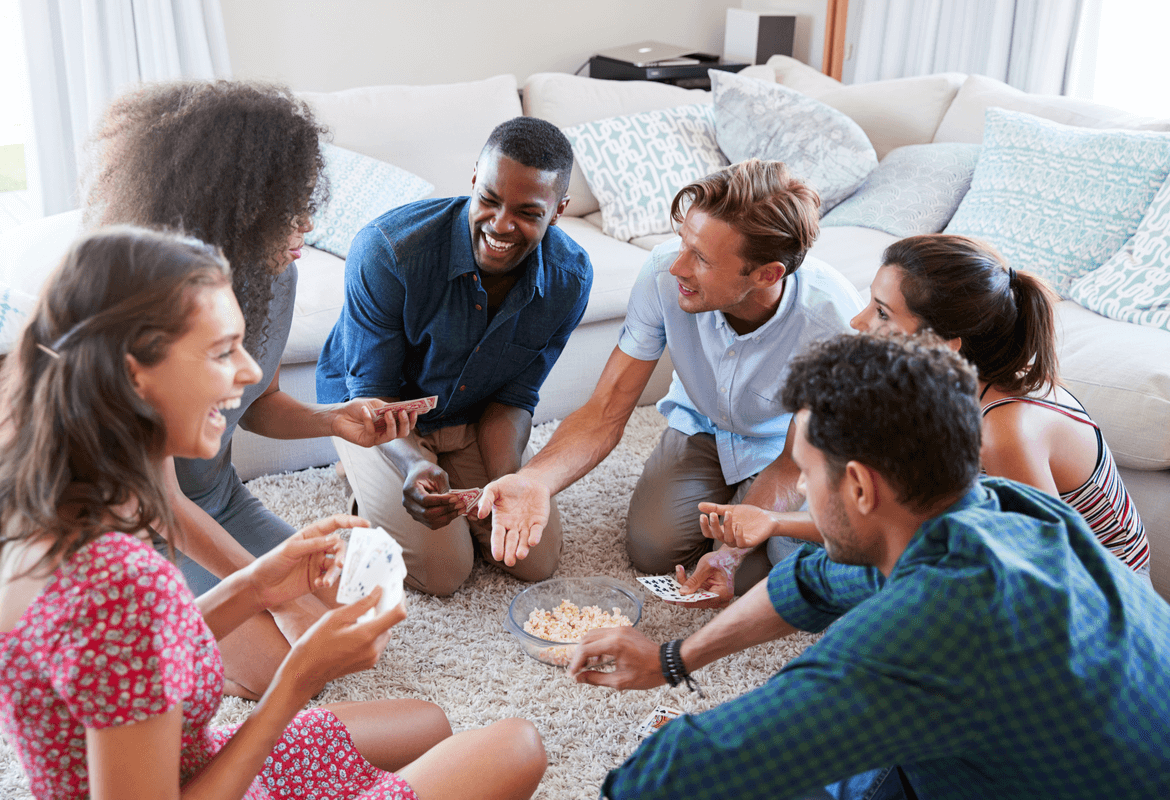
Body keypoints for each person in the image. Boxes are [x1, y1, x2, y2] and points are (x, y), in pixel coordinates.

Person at [0, 227, 547, 800]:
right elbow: (129, 629)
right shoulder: (120, 580)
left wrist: (259, 584)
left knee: (427, 723)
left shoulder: (14, 503)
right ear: (134, 373)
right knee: (517, 746)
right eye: (223, 351)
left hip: (183, 761)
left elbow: (127, 656)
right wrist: (297, 682)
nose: (249, 374)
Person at [568, 333, 1170, 800]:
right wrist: (672, 659)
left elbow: (681, 769)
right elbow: (811, 581)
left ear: (858, 486)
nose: (799, 489)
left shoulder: (922, 634)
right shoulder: (1008, 509)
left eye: (805, 473)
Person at [82, 80, 419, 698]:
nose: (307, 223)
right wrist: (273, 592)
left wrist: (334, 419)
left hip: (220, 500)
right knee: (283, 668)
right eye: (286, 207)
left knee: (363, 604)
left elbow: (256, 401)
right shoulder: (144, 317)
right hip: (144, 528)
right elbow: (158, 501)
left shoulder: (273, 275)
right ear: (231, 209)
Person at [479, 160, 862, 595]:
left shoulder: (833, 323)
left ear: (766, 274)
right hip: (700, 425)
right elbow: (605, 410)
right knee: (652, 549)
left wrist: (729, 554)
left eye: (701, 257)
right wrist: (535, 480)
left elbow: (793, 462)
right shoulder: (664, 272)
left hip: (781, 449)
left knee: (783, 564)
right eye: (684, 242)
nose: (677, 266)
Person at [701, 234, 1151, 584]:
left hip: (1093, 597)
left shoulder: (1006, 430)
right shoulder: (935, 385)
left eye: (881, 312)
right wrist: (767, 526)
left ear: (941, 344)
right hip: (993, 550)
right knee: (804, 556)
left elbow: (1044, 569)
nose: (858, 322)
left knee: (838, 574)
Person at [315, 116, 592, 596]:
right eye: (488, 199)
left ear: (559, 210)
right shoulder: (388, 251)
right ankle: (363, 482)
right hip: (376, 414)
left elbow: (515, 396)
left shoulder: (569, 279)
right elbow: (372, 396)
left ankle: (419, 491)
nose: (501, 225)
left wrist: (511, 482)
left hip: (472, 411)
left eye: (527, 212)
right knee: (445, 573)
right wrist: (414, 464)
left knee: (534, 560)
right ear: (473, 181)